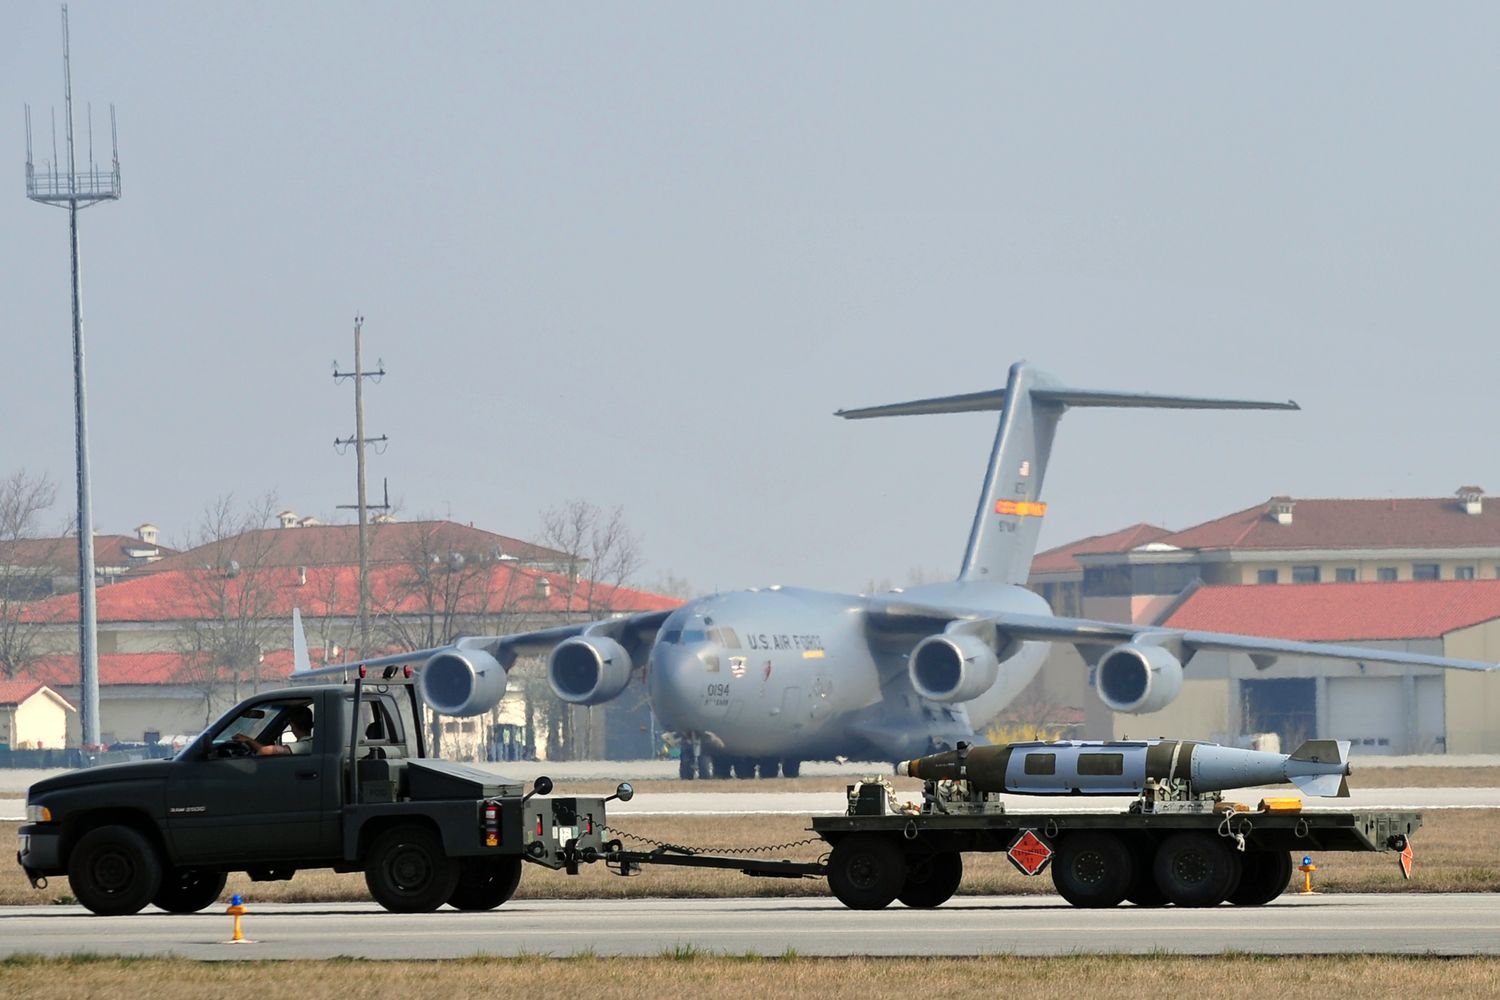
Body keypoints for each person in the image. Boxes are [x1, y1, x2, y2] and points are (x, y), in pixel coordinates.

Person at [233, 705, 314, 756]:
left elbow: (266, 750)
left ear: (292, 725)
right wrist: (249, 740)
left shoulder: (306, 745)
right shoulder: (313, 744)